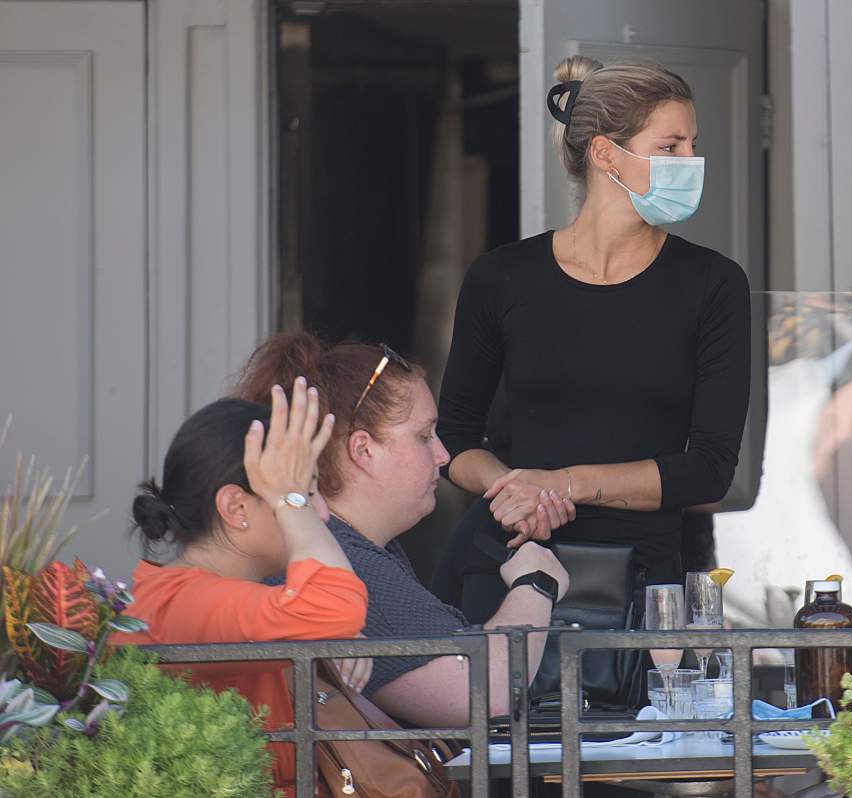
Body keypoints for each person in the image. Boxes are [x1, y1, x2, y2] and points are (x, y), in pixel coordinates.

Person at [433, 55, 751, 619]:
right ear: (606, 154)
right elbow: (454, 439)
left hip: (642, 588)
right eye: (671, 146)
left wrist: (560, 486)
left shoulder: (713, 284)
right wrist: (516, 494)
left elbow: (709, 468)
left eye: (693, 145)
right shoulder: (501, 277)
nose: (692, 161)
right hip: (508, 565)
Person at [232, 332, 571, 727]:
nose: (443, 456)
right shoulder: (348, 561)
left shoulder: (352, 546)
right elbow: (482, 692)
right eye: (424, 436)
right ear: (363, 450)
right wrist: (536, 582)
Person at [113, 380, 370, 797]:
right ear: (236, 507)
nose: (320, 514)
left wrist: (322, 645)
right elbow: (335, 606)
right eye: (305, 493)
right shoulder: (178, 599)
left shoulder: (193, 594)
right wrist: (327, 623)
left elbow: (330, 613)